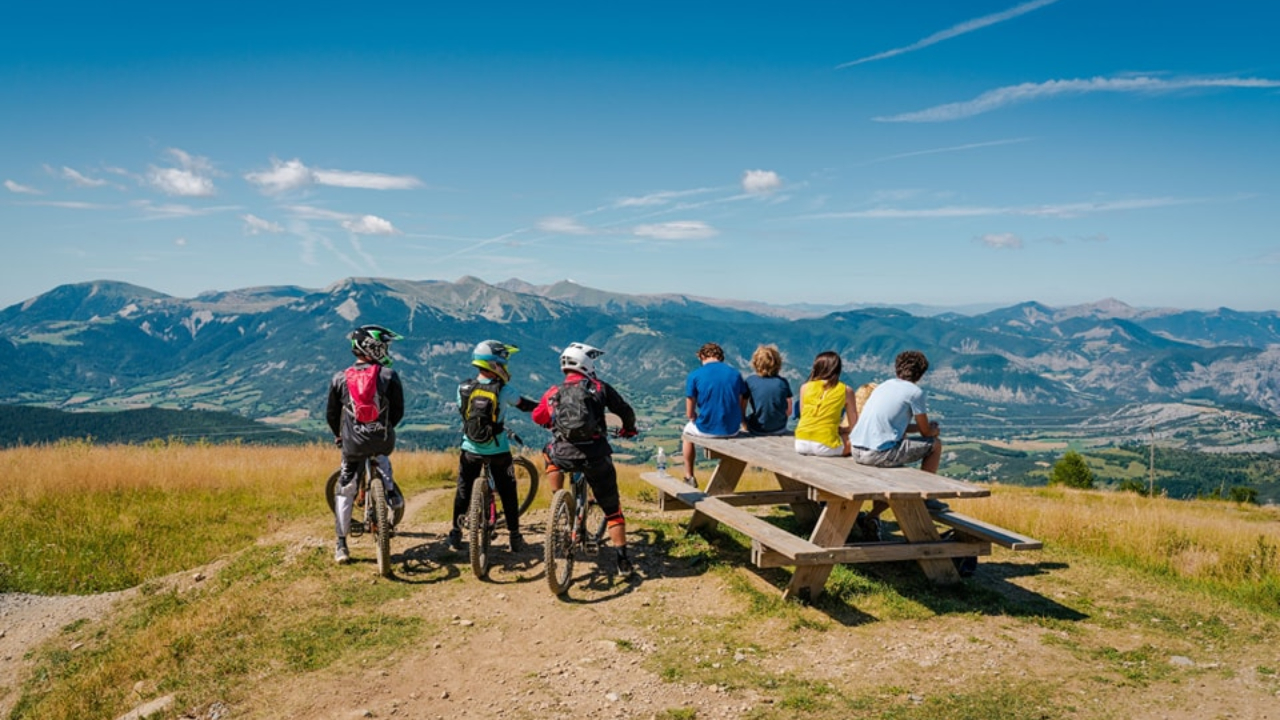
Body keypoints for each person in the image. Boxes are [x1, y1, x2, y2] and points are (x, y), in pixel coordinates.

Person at [531, 342, 640, 576]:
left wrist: (551, 422)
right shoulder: (599, 387)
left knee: (547, 452)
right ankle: (622, 561)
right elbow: (624, 411)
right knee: (612, 509)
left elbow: (538, 417)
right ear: (586, 363)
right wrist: (629, 429)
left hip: (563, 454)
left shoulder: (553, 391)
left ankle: (557, 498)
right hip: (595, 455)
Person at [326, 325, 406, 565]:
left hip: (352, 444)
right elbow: (398, 411)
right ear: (373, 348)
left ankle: (341, 544)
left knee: (345, 488)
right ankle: (391, 493)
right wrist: (384, 428)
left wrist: (339, 435)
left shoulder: (340, 378)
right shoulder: (388, 375)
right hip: (381, 439)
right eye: (383, 346)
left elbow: (331, 414)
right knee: (382, 458)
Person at [449, 340, 538, 552]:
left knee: (463, 490)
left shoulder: (463, 388)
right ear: (495, 365)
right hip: (498, 450)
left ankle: (455, 534)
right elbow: (524, 405)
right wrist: (545, 409)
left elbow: (464, 414)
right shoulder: (504, 390)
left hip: (469, 449)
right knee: (508, 491)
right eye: (504, 363)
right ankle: (515, 537)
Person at [848, 350, 943, 540]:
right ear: (921, 373)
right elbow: (926, 433)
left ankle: (872, 517)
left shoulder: (883, 386)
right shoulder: (915, 392)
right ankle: (927, 495)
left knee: (900, 482)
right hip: (878, 453)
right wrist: (933, 430)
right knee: (935, 445)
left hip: (856, 449)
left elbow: (894, 425)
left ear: (897, 368)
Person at [681, 342, 748, 487]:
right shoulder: (735, 374)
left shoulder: (695, 375)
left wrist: (693, 417)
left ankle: (689, 476)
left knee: (686, 433)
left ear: (703, 356)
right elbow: (741, 399)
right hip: (732, 429)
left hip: (707, 429)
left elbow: (690, 410)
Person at [793, 351, 858, 457]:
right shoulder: (846, 390)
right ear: (838, 369)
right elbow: (855, 427)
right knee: (854, 443)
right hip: (825, 445)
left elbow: (803, 416)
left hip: (801, 442)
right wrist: (845, 430)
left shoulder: (804, 387)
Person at [743, 344, 793, 435]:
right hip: (779, 428)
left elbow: (742, 405)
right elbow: (789, 411)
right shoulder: (783, 382)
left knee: (749, 419)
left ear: (755, 363)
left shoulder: (750, 381)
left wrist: (743, 422)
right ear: (778, 363)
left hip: (757, 429)